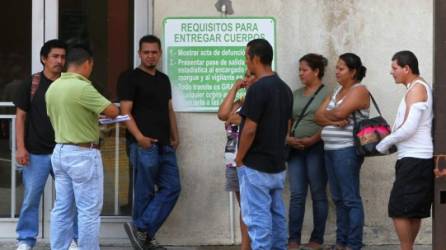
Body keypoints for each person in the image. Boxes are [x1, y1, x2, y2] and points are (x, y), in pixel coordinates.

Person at [46, 45, 119, 250]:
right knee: (88, 211)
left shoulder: (54, 87)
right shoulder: (82, 87)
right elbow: (112, 110)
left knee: (62, 209)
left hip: (60, 150)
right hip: (82, 153)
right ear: (87, 63)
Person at [13, 39, 79, 250]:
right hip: (36, 153)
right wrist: (21, 148)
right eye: (55, 56)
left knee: (70, 200)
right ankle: (25, 239)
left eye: (62, 57)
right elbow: (20, 117)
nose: (60, 61)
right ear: (44, 59)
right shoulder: (31, 84)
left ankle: (72, 240)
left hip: (65, 151)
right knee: (31, 199)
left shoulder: (70, 83)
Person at [118, 35, 181, 250]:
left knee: (173, 187)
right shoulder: (129, 78)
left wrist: (175, 135)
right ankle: (146, 239)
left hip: (165, 144)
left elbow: (169, 109)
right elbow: (125, 113)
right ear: (139, 54)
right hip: (143, 145)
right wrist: (140, 138)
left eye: (154, 52)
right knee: (144, 192)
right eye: (146, 52)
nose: (150, 55)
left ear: (160, 53)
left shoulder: (163, 79)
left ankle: (142, 228)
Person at [235, 38, 293, 250]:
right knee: (277, 219)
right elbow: (287, 127)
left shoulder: (257, 89)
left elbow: (250, 129)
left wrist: (239, 158)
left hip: (255, 166)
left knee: (258, 223)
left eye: (246, 56)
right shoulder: (285, 88)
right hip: (277, 165)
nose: (246, 61)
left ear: (256, 58)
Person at [376, 51, 434, 250]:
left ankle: (406, 248)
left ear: (406, 68)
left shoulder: (417, 89)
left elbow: (409, 128)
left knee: (399, 209)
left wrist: (382, 144)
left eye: (394, 68)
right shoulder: (415, 87)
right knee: (412, 210)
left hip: (414, 159)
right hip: (415, 158)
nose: (391, 72)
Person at [315, 53, 370, 250]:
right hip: (330, 150)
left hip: (346, 151)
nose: (336, 72)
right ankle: (341, 242)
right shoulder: (337, 91)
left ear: (353, 71)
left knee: (350, 199)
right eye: (336, 68)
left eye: (341, 68)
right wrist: (334, 119)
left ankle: (353, 244)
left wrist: (330, 116)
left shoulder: (359, 90)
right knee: (338, 199)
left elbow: (337, 113)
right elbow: (317, 117)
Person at [287, 54, 329, 250]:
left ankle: (316, 239)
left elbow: (330, 121)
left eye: (304, 70)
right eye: (299, 70)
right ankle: (293, 239)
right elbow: (289, 119)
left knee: (318, 194)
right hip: (294, 149)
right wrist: (288, 138)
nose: (300, 74)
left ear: (316, 71)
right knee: (296, 194)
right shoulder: (295, 94)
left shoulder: (328, 93)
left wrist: (313, 139)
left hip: (317, 148)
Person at [217, 71, 257, 250]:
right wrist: (235, 87)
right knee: (245, 208)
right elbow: (223, 114)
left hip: (249, 161)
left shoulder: (259, 103)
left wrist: (234, 118)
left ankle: (253, 245)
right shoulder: (240, 103)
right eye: (245, 76)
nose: (247, 79)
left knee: (254, 207)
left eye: (251, 76)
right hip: (232, 160)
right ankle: (245, 246)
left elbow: (241, 120)